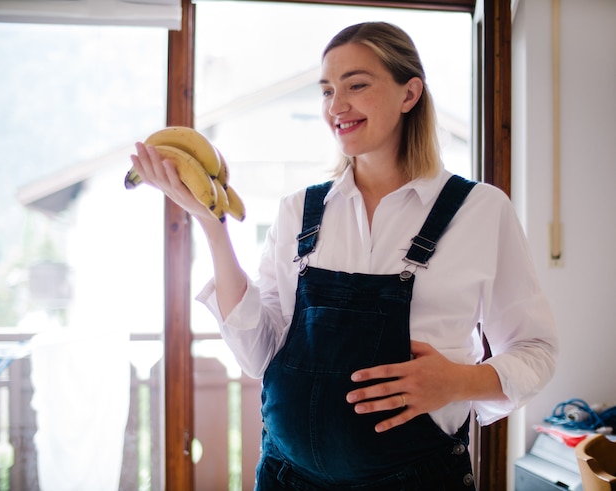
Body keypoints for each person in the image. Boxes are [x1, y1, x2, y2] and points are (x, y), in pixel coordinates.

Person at [130, 21, 557, 491]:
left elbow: (536, 353)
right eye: (327, 90)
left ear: (409, 94)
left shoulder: (480, 211)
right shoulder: (299, 211)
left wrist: (458, 381)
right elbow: (259, 354)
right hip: (287, 478)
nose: (336, 106)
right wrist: (212, 228)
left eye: (356, 85)